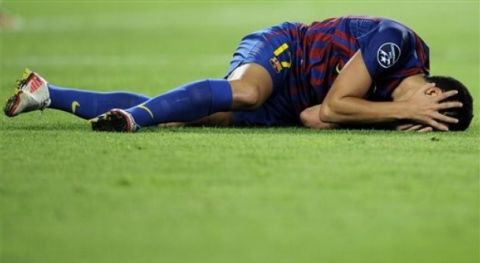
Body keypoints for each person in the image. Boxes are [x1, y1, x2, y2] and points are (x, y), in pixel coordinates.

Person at [4, 16, 474, 132]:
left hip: (295, 100)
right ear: (431, 90)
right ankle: (133, 121)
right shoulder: (397, 44)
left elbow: (312, 117)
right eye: (428, 114)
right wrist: (401, 108)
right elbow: (333, 107)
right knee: (246, 92)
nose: (413, 123)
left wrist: (398, 116)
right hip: (286, 50)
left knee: (186, 115)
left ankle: (47, 93)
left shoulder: (392, 107)